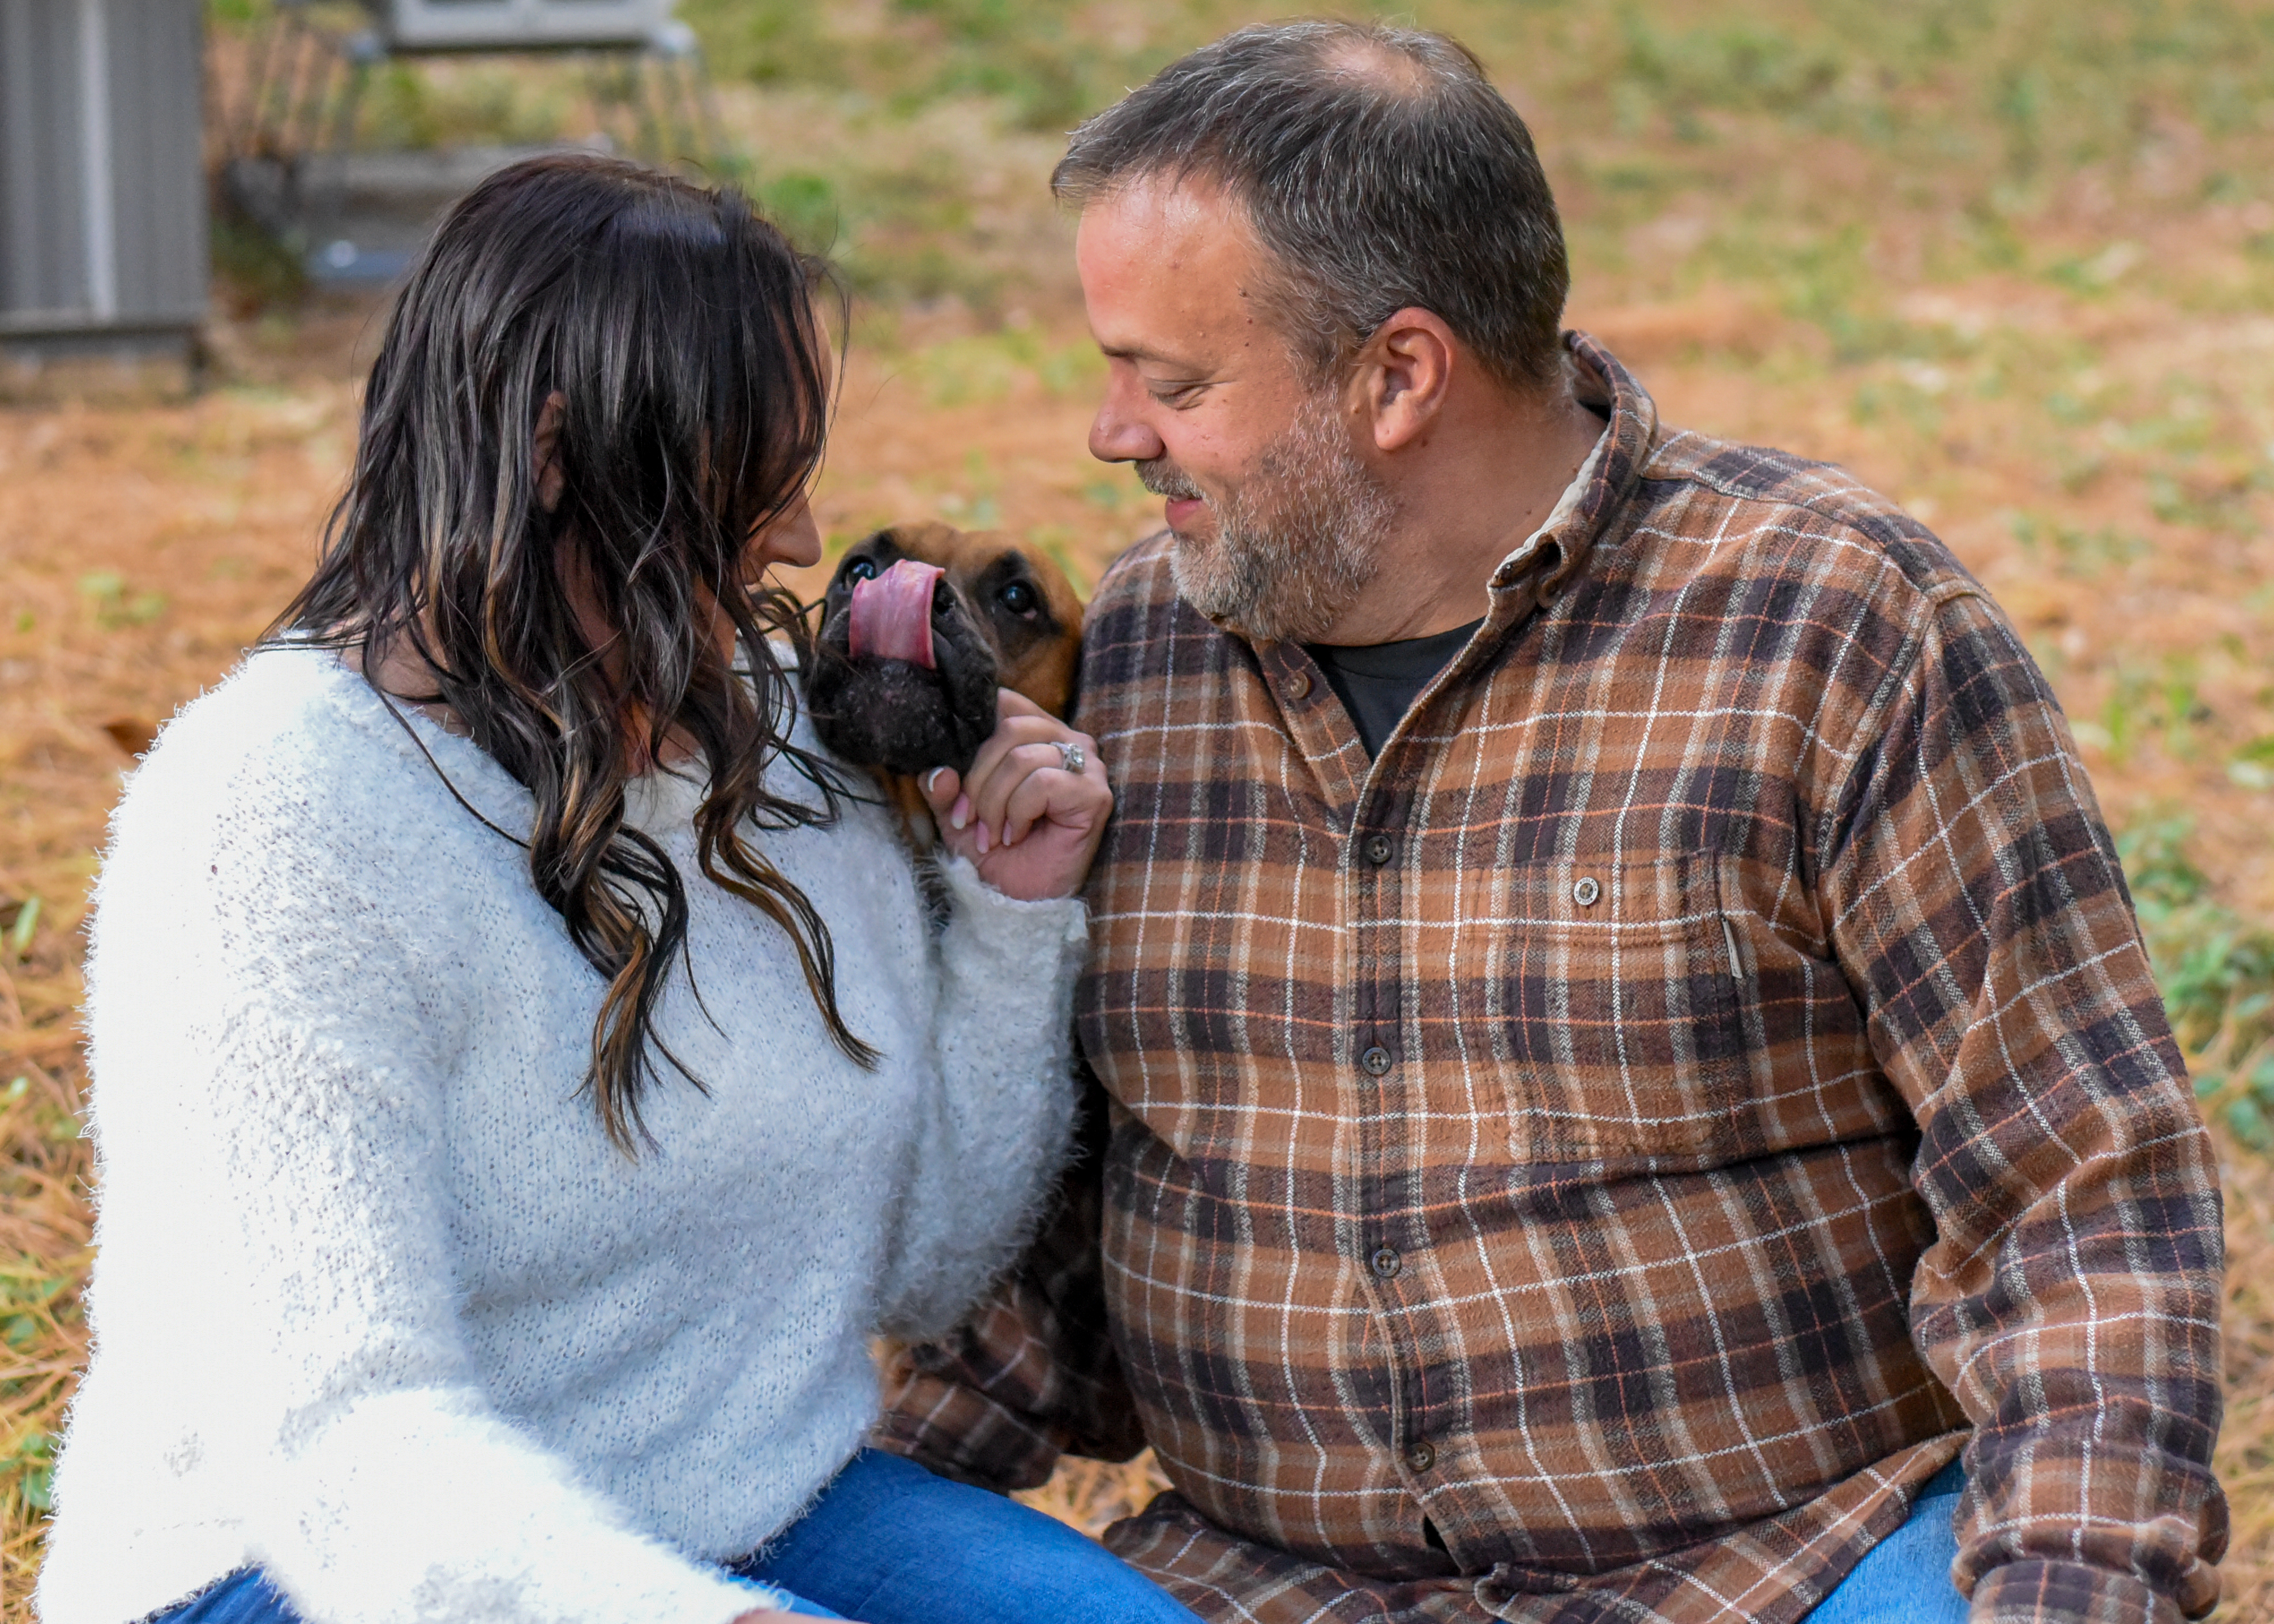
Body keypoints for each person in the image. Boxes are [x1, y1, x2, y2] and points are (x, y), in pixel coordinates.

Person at [880, 23, 2228, 1624]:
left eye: (1172, 384)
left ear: (1398, 376)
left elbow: (2080, 1193)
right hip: (1259, 1595)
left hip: (1784, 1574)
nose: (1113, 433)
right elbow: (1071, 1219)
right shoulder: (1141, 653)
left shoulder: (1830, 629)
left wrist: (2065, 1594)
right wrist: (869, 1506)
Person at [38, 155, 1199, 1624]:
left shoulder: (795, 746)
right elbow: (341, 1438)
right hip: (320, 1563)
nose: (799, 543)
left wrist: (1012, 920)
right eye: (754, 481)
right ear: (554, 455)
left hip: (742, 1500)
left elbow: (920, 1274)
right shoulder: (271, 815)